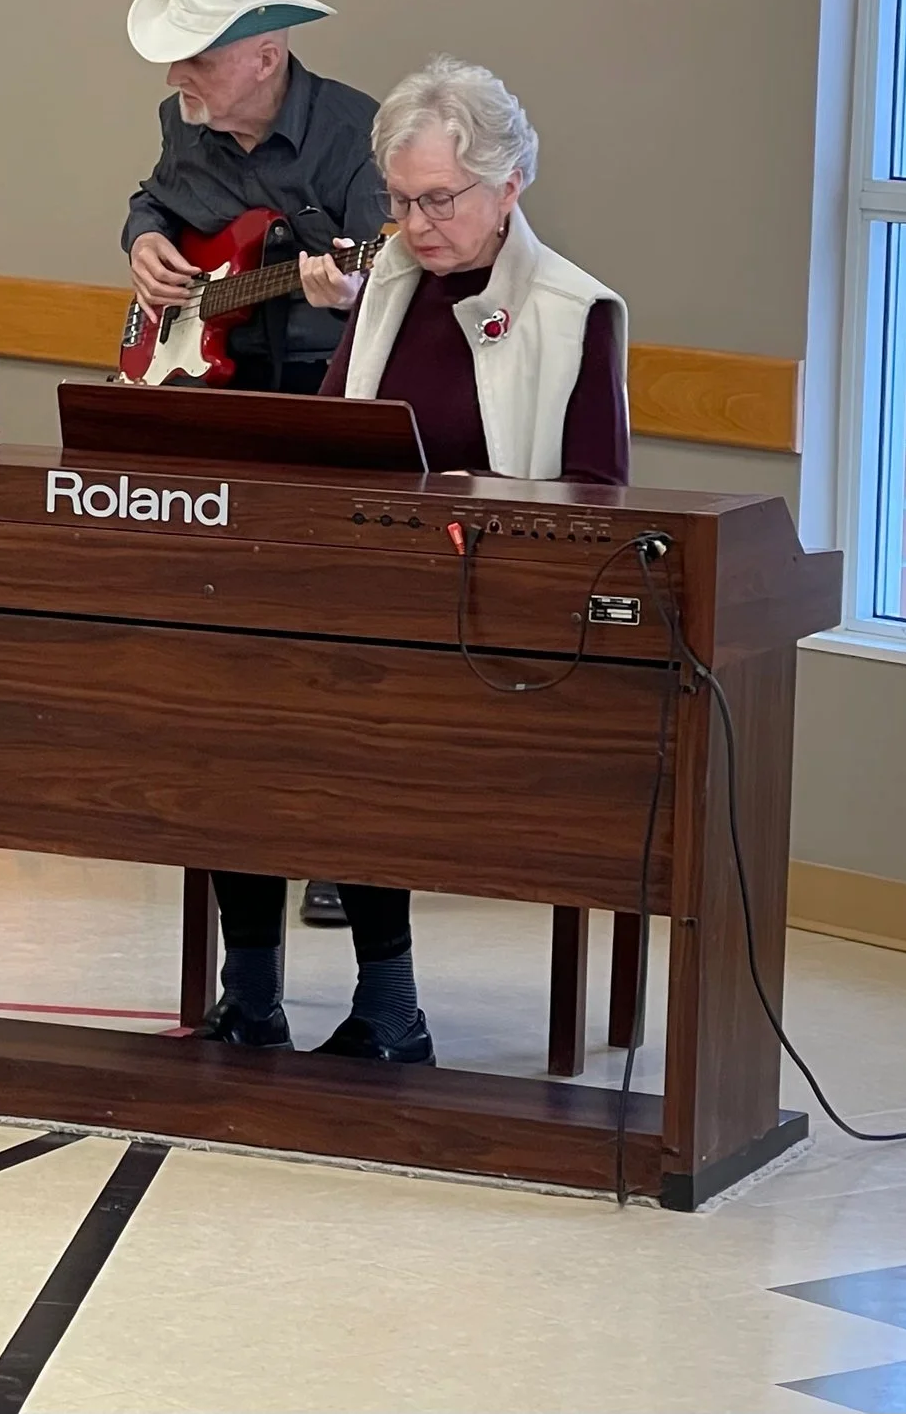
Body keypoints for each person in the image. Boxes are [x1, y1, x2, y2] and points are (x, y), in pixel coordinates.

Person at [200, 57, 630, 1064]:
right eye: (397, 199)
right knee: (226, 701)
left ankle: (390, 1009)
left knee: (353, 714)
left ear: (509, 182)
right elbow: (329, 440)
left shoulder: (575, 313)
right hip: (368, 600)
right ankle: (250, 996)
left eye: (437, 199)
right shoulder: (389, 281)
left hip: (492, 631)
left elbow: (596, 509)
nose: (414, 223)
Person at [125, 0, 391, 930]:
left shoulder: (359, 134)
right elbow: (154, 197)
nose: (175, 73)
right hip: (212, 394)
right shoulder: (183, 122)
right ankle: (215, 812)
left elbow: (387, 270)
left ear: (265, 54)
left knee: (321, 630)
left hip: (320, 401)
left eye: (196, 53)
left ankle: (331, 837)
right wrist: (144, 242)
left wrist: (347, 285)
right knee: (205, 615)